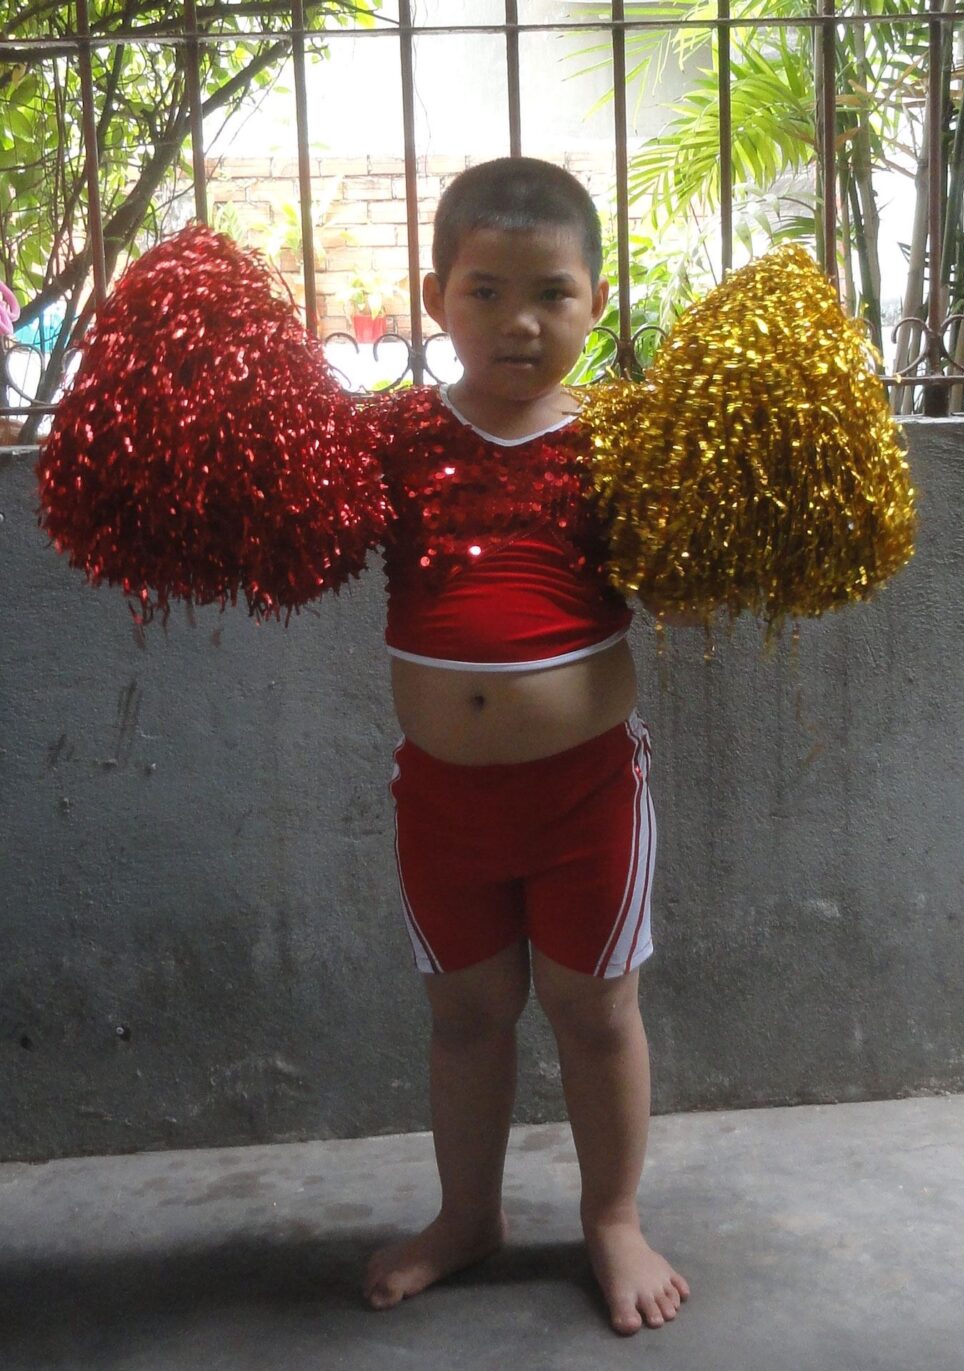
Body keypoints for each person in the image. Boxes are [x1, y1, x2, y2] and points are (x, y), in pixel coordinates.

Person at [361, 157, 691, 1337]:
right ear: (435, 297)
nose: (519, 322)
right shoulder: (390, 438)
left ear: (595, 301)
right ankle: (467, 1216)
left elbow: (692, 569)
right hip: (440, 803)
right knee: (465, 1015)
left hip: (586, 795)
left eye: (551, 293)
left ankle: (613, 1217)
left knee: (593, 1012)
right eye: (485, 291)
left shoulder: (626, 442)